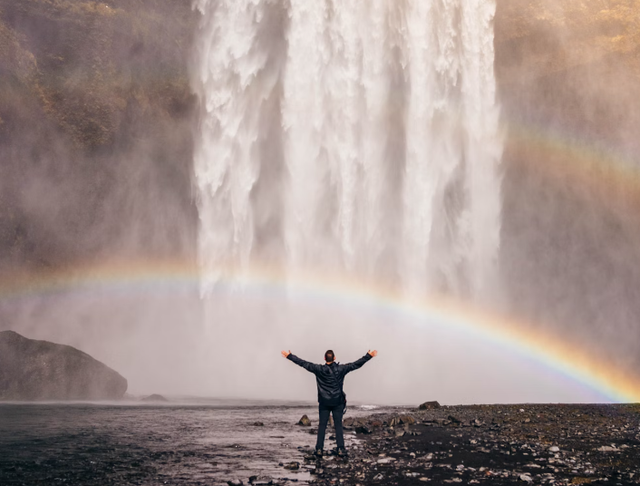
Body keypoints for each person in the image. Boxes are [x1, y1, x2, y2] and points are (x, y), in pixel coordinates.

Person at [281, 348, 377, 457]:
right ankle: (340, 449)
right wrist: (369, 356)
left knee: (322, 426)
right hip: (337, 402)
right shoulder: (341, 369)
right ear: (334, 358)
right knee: (338, 426)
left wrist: (289, 356)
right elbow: (356, 364)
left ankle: (319, 450)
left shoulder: (319, 369)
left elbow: (303, 363)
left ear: (324, 358)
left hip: (324, 402)